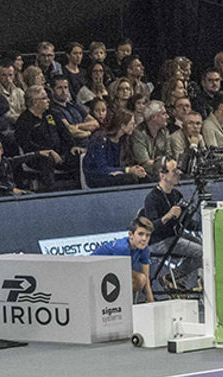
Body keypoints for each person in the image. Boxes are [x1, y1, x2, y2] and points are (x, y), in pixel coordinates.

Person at [143, 157, 202, 289]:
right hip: (160, 241)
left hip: (175, 236)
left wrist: (204, 225)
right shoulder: (152, 198)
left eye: (178, 171)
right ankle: (175, 277)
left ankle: (180, 281)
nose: (178, 174)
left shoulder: (176, 195)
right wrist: (167, 216)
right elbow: (151, 227)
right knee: (201, 252)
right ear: (162, 175)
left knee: (206, 247)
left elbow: (187, 222)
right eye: (174, 171)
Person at [92, 217, 155, 304]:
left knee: (141, 279)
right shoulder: (122, 248)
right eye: (140, 234)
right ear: (131, 235)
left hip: (110, 273)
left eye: (147, 235)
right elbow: (119, 278)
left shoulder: (144, 249)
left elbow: (146, 279)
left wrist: (152, 304)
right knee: (136, 279)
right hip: (93, 273)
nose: (144, 238)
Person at [82, 111, 148, 187]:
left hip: (117, 173)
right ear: (123, 126)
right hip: (98, 177)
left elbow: (128, 162)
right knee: (131, 178)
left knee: (144, 177)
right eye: (131, 124)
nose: (134, 126)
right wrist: (127, 170)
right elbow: (101, 168)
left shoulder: (124, 140)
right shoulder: (99, 140)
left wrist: (136, 169)